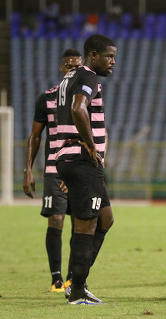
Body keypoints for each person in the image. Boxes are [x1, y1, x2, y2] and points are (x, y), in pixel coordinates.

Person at [55, 34, 116, 305]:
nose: (113, 61)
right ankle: (76, 290)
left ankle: (77, 281)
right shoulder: (88, 76)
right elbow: (78, 109)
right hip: (82, 160)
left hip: (73, 160)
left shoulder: (70, 77)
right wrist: (91, 146)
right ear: (92, 56)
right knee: (87, 223)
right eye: (109, 56)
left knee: (105, 219)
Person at [23, 49, 82, 292]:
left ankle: (72, 278)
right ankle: (56, 278)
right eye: (67, 65)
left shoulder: (85, 97)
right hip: (53, 169)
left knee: (80, 223)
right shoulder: (46, 98)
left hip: (79, 169)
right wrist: (27, 169)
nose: (71, 68)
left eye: (75, 66)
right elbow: (35, 136)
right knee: (56, 219)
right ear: (61, 68)